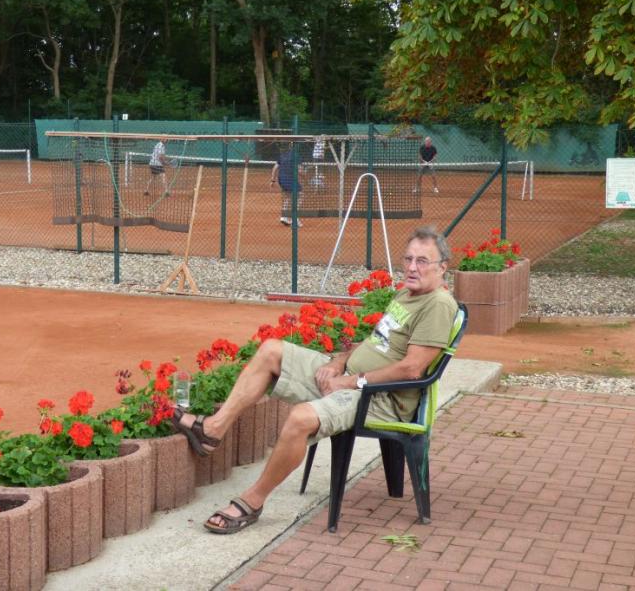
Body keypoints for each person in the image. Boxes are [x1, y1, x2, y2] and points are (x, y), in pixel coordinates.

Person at [172, 225, 458, 534]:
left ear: (442, 267)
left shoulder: (437, 305)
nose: (412, 267)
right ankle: (213, 429)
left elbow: (411, 369)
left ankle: (252, 501)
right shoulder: (408, 293)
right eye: (408, 259)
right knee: (271, 351)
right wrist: (338, 362)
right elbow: (375, 341)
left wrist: (349, 382)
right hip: (350, 378)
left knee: (300, 418)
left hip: (379, 398)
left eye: (422, 261)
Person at [270, 143, 303, 227]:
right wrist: (305, 173)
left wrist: (273, 180)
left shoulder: (283, 155)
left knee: (288, 197)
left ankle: (284, 217)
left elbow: (275, 168)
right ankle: (294, 219)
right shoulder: (296, 156)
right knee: (299, 196)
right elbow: (300, 171)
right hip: (290, 180)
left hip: (281, 180)